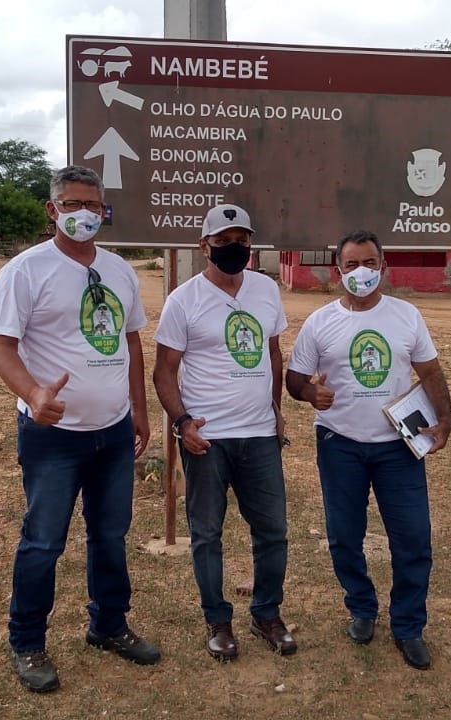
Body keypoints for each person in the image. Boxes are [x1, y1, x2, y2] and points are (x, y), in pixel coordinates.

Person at [0, 165, 159, 693]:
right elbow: (2, 347)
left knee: (110, 535)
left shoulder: (120, 270)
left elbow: (131, 341)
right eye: (71, 204)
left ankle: (108, 625)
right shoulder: (25, 271)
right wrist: (32, 393)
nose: (83, 213)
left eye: (93, 205)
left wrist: (140, 407)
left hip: (112, 433)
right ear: (52, 210)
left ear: (105, 210)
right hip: (53, 437)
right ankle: (27, 642)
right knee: (43, 542)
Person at [285, 230, 451, 670]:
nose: (362, 272)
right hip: (340, 445)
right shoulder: (321, 323)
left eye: (371, 263)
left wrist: (445, 420)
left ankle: (408, 626)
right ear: (337, 270)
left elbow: (430, 371)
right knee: (344, 538)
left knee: (413, 539)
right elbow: (294, 380)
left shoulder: (406, 316)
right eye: (352, 265)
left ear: (384, 266)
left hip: (398, 447)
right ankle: (361, 608)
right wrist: (309, 394)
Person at [153, 203, 297, 662]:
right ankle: (217, 621)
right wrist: (182, 424)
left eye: (242, 242)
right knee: (207, 534)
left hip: (258, 435)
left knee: (273, 531)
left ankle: (266, 614)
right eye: (224, 242)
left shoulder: (265, 290)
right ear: (205, 246)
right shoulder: (183, 300)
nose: (235, 250)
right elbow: (163, 373)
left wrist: (275, 411)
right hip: (207, 438)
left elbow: (273, 355)